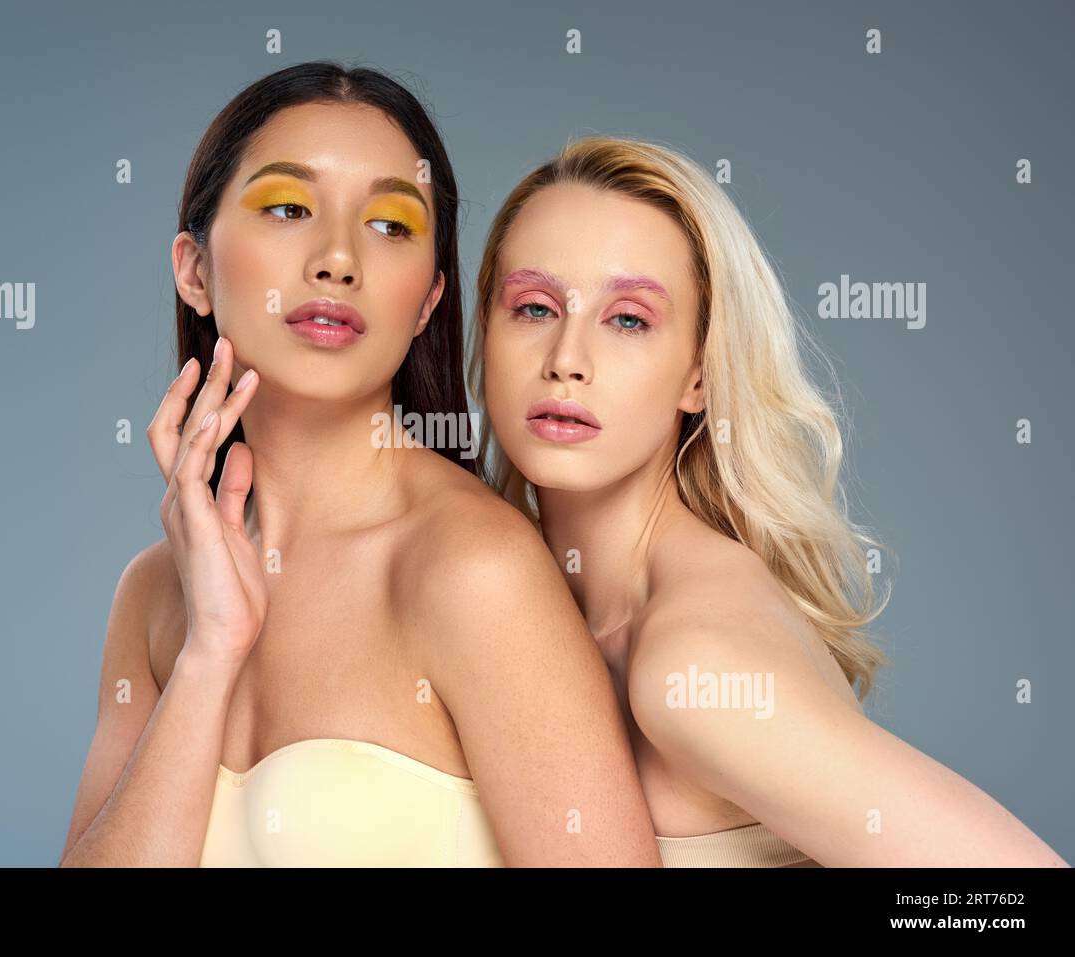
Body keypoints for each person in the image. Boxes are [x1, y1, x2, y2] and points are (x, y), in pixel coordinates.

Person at [59, 65, 660, 867]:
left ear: (426, 302)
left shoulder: (475, 571)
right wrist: (211, 652)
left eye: (389, 226)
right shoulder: (153, 595)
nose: (338, 258)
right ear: (194, 270)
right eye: (286, 208)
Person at [470, 135, 1068, 867]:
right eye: (533, 307)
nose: (566, 359)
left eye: (628, 318)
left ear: (699, 374)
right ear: (484, 334)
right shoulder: (522, 608)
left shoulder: (692, 662)